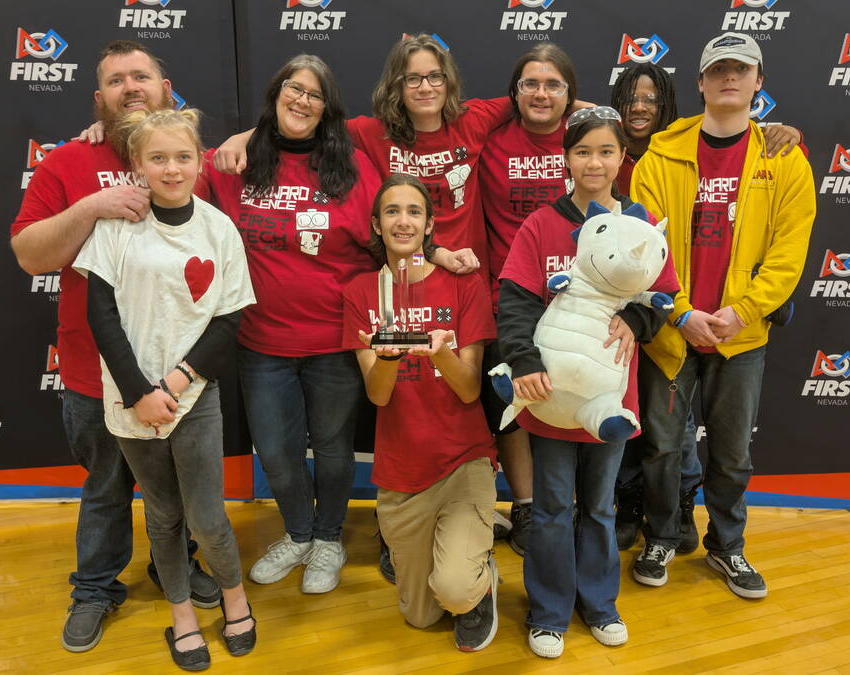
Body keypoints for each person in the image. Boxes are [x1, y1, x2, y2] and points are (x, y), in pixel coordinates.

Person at [10, 40, 219, 653]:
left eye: (141, 76)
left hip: (177, 372)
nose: (131, 87)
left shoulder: (191, 156)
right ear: (98, 98)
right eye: (116, 80)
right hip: (92, 370)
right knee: (106, 488)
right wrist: (92, 207)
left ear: (165, 88)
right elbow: (29, 255)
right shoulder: (68, 162)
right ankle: (95, 589)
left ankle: (172, 565)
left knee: (175, 490)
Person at [628, 32, 815, 599]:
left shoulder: (785, 159)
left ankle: (727, 546)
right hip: (671, 334)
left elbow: (788, 253)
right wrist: (682, 313)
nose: (729, 77)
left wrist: (743, 312)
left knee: (732, 454)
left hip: (742, 337)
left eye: (741, 69)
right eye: (718, 69)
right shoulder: (658, 157)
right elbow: (644, 249)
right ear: (701, 83)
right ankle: (662, 536)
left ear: (759, 82)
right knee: (662, 448)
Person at [72, 108, 256, 670]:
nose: (171, 169)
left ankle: (235, 600)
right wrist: (139, 393)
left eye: (182, 157)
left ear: (200, 161)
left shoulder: (218, 229)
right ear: (137, 164)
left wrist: (177, 381)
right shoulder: (115, 227)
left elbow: (227, 319)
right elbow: (101, 316)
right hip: (132, 403)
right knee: (162, 515)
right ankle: (182, 616)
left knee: (207, 518)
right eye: (158, 158)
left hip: (193, 397)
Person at [197, 54, 382, 594]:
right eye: (293, 89)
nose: (302, 100)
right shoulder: (234, 161)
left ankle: (328, 538)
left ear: (328, 108)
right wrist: (107, 134)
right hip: (261, 342)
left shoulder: (352, 166)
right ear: (275, 95)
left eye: (314, 94)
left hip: (334, 340)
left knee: (333, 447)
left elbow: (389, 232)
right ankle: (299, 533)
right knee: (276, 453)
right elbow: (168, 160)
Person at [497, 109, 677, 658]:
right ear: (566, 158)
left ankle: (599, 603)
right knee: (553, 506)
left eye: (605, 151)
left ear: (622, 158)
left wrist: (638, 320)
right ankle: (549, 611)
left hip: (609, 400)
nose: (593, 163)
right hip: (550, 396)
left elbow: (663, 295)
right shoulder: (541, 224)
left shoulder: (641, 223)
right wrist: (524, 361)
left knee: (599, 506)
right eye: (582, 152)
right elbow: (514, 300)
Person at [342, 173, 500, 652]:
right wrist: (388, 359)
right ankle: (460, 550)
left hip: (461, 461)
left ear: (430, 225)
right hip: (402, 472)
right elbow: (378, 397)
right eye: (392, 211)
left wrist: (441, 353)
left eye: (414, 211)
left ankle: (479, 579)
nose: (403, 221)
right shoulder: (361, 293)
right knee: (420, 615)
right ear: (377, 224)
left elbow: (470, 390)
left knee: (453, 590)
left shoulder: (463, 285)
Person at [216, 34, 516, 275]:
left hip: (466, 270)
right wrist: (244, 137)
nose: (425, 87)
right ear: (397, 85)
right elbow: (308, 120)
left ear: (448, 81)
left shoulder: (474, 119)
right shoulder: (371, 132)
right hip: (404, 274)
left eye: (435, 77)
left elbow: (532, 99)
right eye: (412, 79)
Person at [476, 42, 579, 557]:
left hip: (580, 305)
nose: (541, 94)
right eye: (530, 84)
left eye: (553, 85)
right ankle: (525, 505)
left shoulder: (586, 139)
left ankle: (568, 507)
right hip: (510, 301)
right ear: (514, 92)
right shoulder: (489, 140)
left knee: (570, 403)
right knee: (513, 406)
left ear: (569, 94)